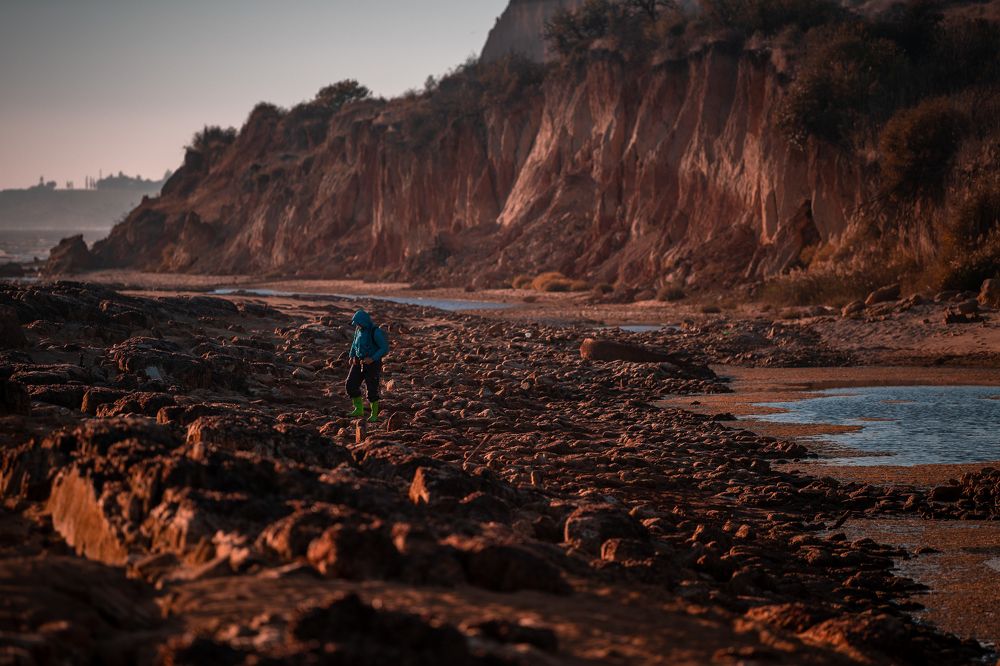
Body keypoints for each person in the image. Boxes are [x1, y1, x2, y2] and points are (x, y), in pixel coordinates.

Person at [346, 309, 389, 422]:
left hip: (372, 364)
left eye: (359, 323)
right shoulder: (358, 329)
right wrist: (352, 356)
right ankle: (358, 409)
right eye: (356, 324)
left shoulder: (376, 332)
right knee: (351, 384)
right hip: (359, 362)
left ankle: (374, 415)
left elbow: (384, 348)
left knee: (372, 389)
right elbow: (354, 343)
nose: (358, 325)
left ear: (364, 321)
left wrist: (373, 358)